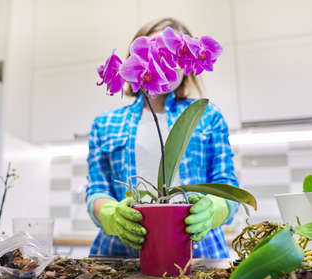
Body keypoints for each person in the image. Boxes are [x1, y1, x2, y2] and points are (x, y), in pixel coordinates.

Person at [86, 17, 239, 258]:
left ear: (186, 60)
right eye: (155, 50)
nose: (163, 59)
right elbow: (97, 189)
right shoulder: (105, 124)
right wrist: (110, 214)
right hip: (119, 255)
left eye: (173, 52)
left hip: (200, 255)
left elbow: (228, 186)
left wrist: (214, 209)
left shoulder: (206, 115)